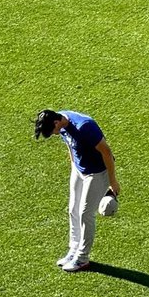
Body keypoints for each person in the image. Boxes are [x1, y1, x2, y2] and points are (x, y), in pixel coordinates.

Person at [34, 109, 120, 272]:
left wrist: (112, 182)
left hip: (97, 172)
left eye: (52, 131)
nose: (54, 134)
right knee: (73, 209)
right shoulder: (60, 120)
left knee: (85, 213)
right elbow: (68, 142)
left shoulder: (84, 127)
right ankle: (73, 249)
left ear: (56, 123)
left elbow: (107, 152)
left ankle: (82, 258)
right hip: (79, 170)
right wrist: (74, 164)